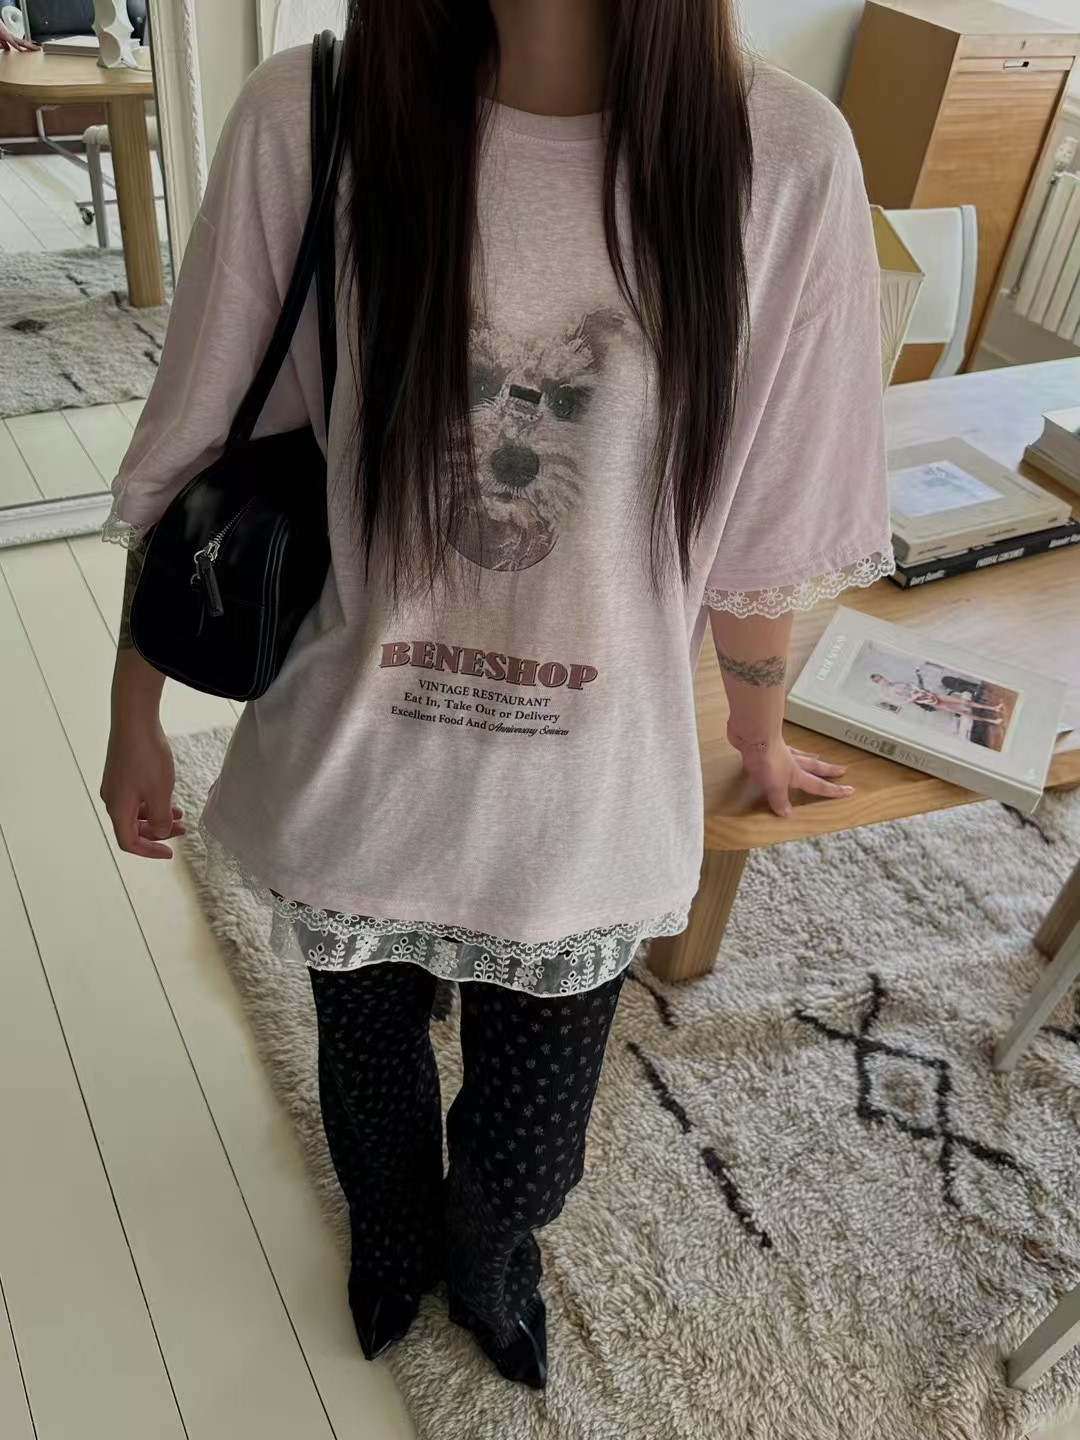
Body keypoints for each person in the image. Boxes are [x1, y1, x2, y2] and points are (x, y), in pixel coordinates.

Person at [100, 0, 893, 1391]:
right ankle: (393, 1239)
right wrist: (134, 714)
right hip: (357, 771)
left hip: (583, 802)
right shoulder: (311, 117)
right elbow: (200, 458)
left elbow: (770, 524)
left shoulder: (782, 157)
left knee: (531, 1149)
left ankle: (491, 1253)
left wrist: (758, 726)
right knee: (369, 1081)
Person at [869, 673, 1006, 723]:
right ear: (878, 683)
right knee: (961, 711)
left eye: (881, 677)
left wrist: (920, 688)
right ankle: (992, 721)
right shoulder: (891, 692)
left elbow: (912, 685)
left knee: (965, 701)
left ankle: (994, 708)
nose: (882, 680)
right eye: (879, 680)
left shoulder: (897, 682)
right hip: (929, 702)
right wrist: (916, 696)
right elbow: (906, 701)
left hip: (931, 694)